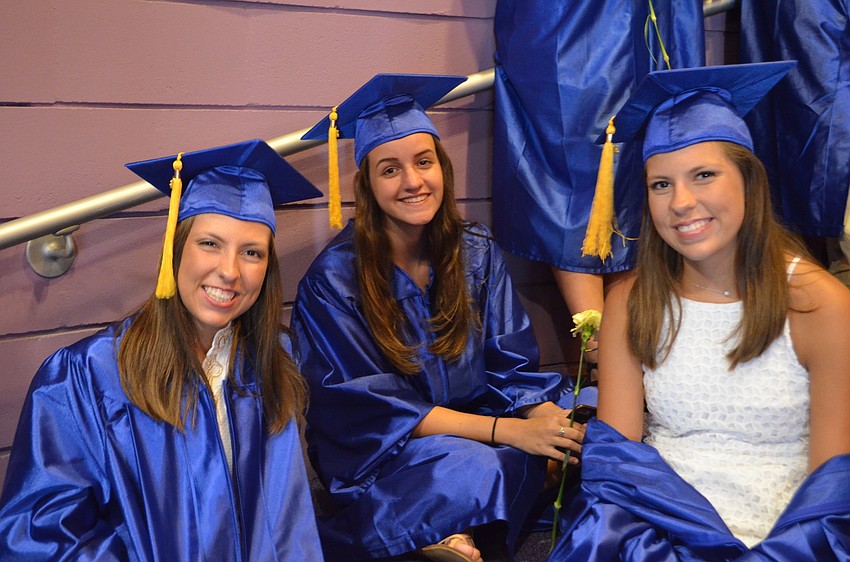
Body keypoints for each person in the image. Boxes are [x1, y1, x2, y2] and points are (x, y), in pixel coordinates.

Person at [548, 62, 850, 560]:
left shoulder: (820, 304)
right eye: (660, 185)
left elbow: (832, 490)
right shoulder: (633, 300)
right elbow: (619, 467)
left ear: (749, 181)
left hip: (788, 534)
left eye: (704, 175)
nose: (681, 202)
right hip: (663, 528)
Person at [294, 74, 589, 562]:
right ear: (366, 184)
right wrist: (510, 433)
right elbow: (375, 413)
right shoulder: (335, 280)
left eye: (423, 162)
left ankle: (453, 529)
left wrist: (541, 417)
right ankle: (446, 523)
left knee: (591, 418)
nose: (412, 181)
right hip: (388, 457)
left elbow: (511, 364)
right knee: (478, 466)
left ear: (442, 168)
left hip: (481, 421)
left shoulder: (474, 250)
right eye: (389, 169)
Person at [0, 139, 326, 561]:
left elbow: (288, 525)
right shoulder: (87, 375)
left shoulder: (274, 362)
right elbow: (39, 535)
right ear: (175, 249)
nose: (229, 271)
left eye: (252, 253)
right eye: (210, 243)